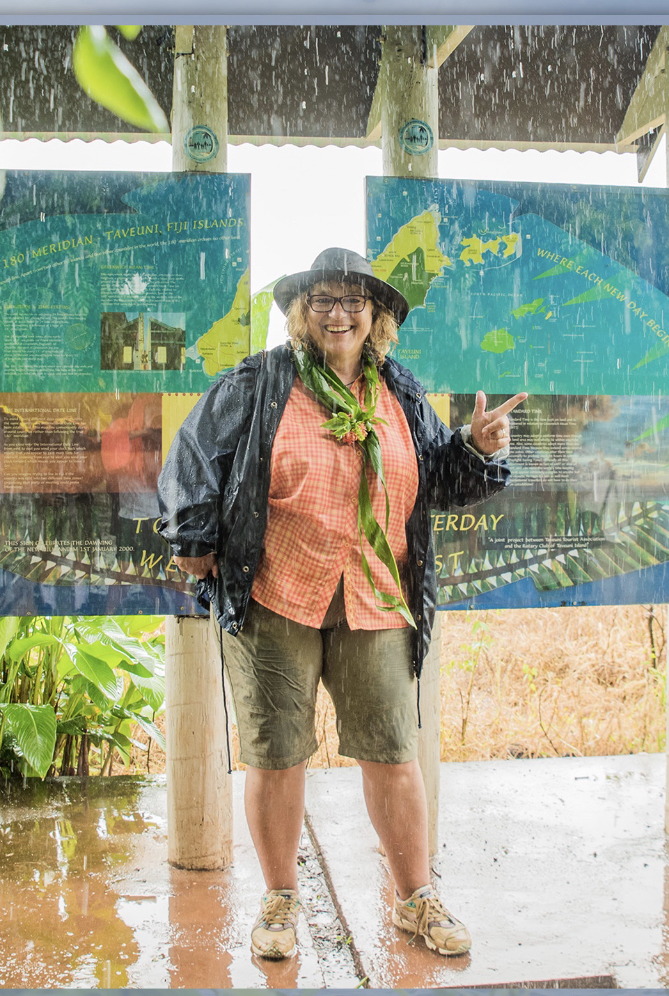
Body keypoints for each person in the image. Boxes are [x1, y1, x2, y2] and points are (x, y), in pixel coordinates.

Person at [158, 247, 527, 961]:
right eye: (323, 300)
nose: (339, 313)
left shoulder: (402, 394)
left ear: (377, 317)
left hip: (376, 597)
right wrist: (194, 534)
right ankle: (279, 900)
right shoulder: (263, 382)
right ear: (302, 314)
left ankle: (415, 900)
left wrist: (476, 449)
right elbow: (197, 454)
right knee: (276, 755)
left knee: (393, 752)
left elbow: (438, 482)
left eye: (354, 302)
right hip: (276, 592)